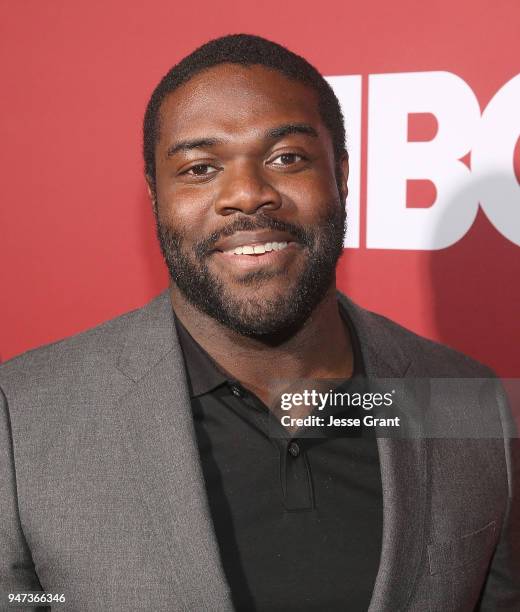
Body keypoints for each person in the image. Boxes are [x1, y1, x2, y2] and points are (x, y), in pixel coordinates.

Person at [0, 34, 518, 612]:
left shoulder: (467, 404)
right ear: (155, 197)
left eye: (286, 158)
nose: (247, 194)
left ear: (341, 175)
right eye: (200, 167)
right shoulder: (24, 417)